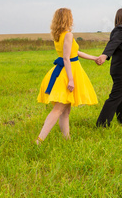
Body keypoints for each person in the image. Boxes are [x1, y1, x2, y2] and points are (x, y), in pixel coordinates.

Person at [36, 8, 100, 144]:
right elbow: (66, 58)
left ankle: (67, 139)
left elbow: (75, 52)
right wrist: (71, 79)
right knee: (58, 109)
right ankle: (39, 140)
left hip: (63, 70)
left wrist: (94, 58)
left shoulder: (58, 35)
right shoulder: (68, 35)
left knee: (65, 110)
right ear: (67, 18)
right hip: (67, 72)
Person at [95, 7, 122, 127]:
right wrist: (105, 55)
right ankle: (102, 123)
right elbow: (113, 43)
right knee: (116, 96)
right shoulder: (121, 30)